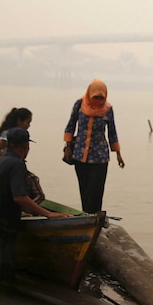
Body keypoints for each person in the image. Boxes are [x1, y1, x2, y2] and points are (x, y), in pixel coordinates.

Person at [0, 128, 71, 299]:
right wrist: (48, 214)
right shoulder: (17, 164)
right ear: (26, 146)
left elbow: (2, 193)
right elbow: (20, 197)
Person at [63, 79, 125, 213]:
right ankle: (87, 216)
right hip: (80, 154)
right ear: (90, 94)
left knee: (95, 189)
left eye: (101, 98)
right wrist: (68, 146)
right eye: (95, 97)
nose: (98, 100)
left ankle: (95, 216)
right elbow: (71, 125)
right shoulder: (79, 104)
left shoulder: (108, 109)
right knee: (84, 188)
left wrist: (118, 154)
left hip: (100, 157)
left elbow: (112, 132)